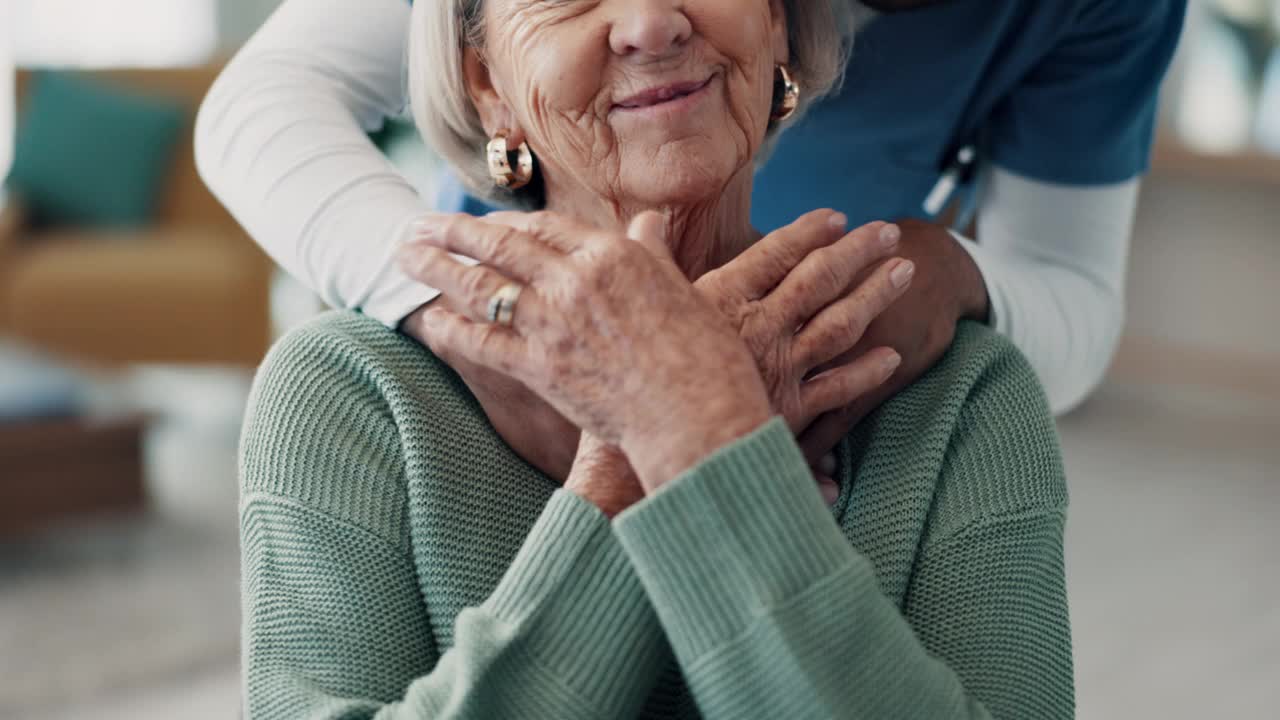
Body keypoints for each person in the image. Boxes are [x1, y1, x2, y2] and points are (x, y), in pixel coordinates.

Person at [237, 1, 1072, 718]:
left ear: (776, 19)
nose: (650, 24)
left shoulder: (965, 393)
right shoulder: (342, 394)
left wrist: (699, 429)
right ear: (486, 86)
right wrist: (646, 446)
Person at [196, 0, 1186, 457]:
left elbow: (1067, 282)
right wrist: (501, 331)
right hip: (480, 401)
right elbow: (267, 98)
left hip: (812, 421)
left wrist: (943, 271)